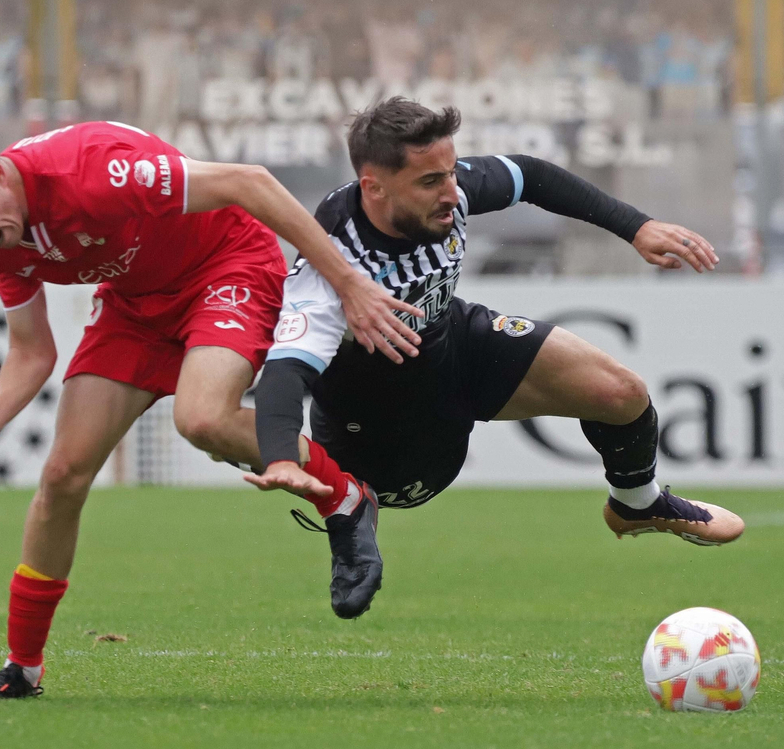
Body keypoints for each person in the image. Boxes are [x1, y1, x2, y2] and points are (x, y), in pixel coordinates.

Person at [0, 121, 424, 699]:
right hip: (133, 307)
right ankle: (21, 670)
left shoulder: (93, 172)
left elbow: (248, 182)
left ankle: (345, 497)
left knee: (202, 419)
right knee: (62, 477)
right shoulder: (0, 235)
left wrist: (346, 283)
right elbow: (31, 351)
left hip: (226, 266)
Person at [246, 97, 745, 620]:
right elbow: (285, 370)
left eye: (450, 173)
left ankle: (637, 505)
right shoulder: (333, 264)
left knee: (621, 394)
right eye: (430, 182)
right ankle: (351, 516)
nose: (452, 193)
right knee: (405, 482)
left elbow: (530, 176)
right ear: (374, 187)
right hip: (378, 425)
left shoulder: (449, 188)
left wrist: (636, 227)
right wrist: (282, 457)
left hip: (453, 343)